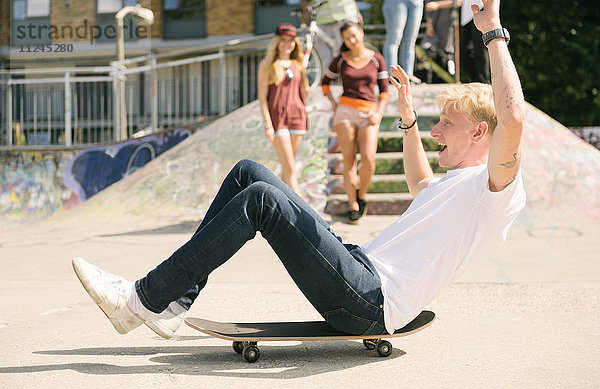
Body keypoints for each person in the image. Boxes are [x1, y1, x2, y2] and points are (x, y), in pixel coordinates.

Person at [72, 0, 525, 340]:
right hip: (356, 264)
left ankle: (141, 300)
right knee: (249, 173)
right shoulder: (455, 186)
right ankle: (175, 301)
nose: (436, 131)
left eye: (447, 124)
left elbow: (514, 118)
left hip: (370, 301)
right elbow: (421, 184)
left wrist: (492, 32)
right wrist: (405, 117)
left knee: (263, 201)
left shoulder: (495, 191)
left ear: (482, 133)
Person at [321, 21, 390, 224]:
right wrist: (334, 104)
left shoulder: (376, 59)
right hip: (345, 113)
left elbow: (384, 90)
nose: (351, 41)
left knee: (368, 159)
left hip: (369, 112)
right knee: (348, 159)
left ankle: (361, 195)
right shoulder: (340, 60)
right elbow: (325, 82)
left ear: (361, 33)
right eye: (346, 38)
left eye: (353, 36)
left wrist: (379, 112)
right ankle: (353, 205)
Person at [258, 24, 309, 194]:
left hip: (297, 117)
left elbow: (305, 91)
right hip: (278, 119)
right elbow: (262, 97)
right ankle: (304, 213)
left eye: (291, 41)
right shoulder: (268, 64)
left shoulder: (298, 64)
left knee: (289, 169)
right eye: (283, 41)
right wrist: (267, 124)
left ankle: (281, 208)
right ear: (277, 42)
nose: (287, 44)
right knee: (290, 170)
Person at [301, 0, 363, 69]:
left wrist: (357, 12)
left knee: (348, 57)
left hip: (345, 18)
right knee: (324, 61)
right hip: (321, 22)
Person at [382, 0, 424, 82]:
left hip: (416, 2)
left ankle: (408, 75)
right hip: (396, 2)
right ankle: (392, 75)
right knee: (393, 40)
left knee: (410, 42)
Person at [418, 0, 457, 83]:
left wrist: (438, 5)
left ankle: (448, 78)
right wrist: (429, 24)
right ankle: (428, 79)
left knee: (446, 53)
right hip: (434, 24)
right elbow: (428, 6)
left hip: (447, 24)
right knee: (426, 48)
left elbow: (458, 2)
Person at [460, 0, 490, 82]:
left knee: (480, 49)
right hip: (466, 16)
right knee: (464, 49)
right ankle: (476, 80)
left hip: (480, 9)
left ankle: (484, 82)